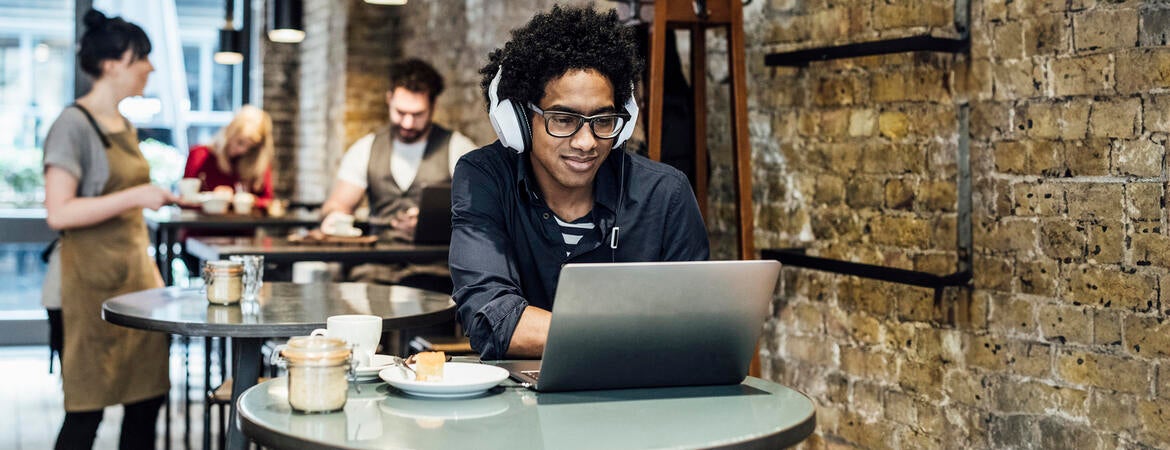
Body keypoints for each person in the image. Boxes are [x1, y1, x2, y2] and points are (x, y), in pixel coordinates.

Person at [451, 5, 710, 360]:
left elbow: (694, 325)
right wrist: (637, 333)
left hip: (639, 401)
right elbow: (492, 318)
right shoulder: (484, 177)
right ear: (521, 120)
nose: (586, 142)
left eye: (603, 120)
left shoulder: (665, 194)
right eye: (562, 118)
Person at [41, 9, 172, 450]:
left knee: (146, 403)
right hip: (85, 290)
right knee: (86, 411)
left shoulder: (125, 125)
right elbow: (58, 213)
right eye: (142, 59)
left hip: (136, 287)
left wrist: (151, 273)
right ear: (113, 64)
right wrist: (137, 195)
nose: (150, 68)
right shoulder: (72, 125)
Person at [320, 58, 476, 292]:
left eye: (418, 114)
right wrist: (335, 217)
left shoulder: (458, 148)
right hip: (374, 269)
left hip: (434, 269)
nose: (407, 122)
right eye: (400, 112)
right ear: (389, 99)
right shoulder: (366, 148)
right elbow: (337, 205)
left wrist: (432, 224)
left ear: (433, 107)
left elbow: (480, 215)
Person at [183, 104, 275, 207]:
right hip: (206, 222)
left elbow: (268, 201)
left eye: (251, 147)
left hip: (243, 222)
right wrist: (213, 198)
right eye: (240, 142)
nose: (243, 150)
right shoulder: (199, 155)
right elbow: (185, 200)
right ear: (230, 132)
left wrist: (249, 200)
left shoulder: (258, 163)